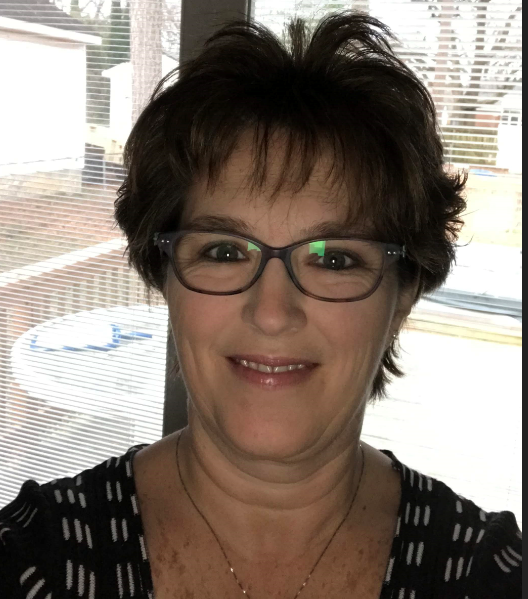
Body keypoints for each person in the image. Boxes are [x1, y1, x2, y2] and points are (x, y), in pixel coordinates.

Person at [0, 11, 521, 599]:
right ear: (165, 278)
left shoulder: (490, 575)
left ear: (402, 296)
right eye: (224, 251)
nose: (272, 313)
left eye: (334, 258)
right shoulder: (32, 562)